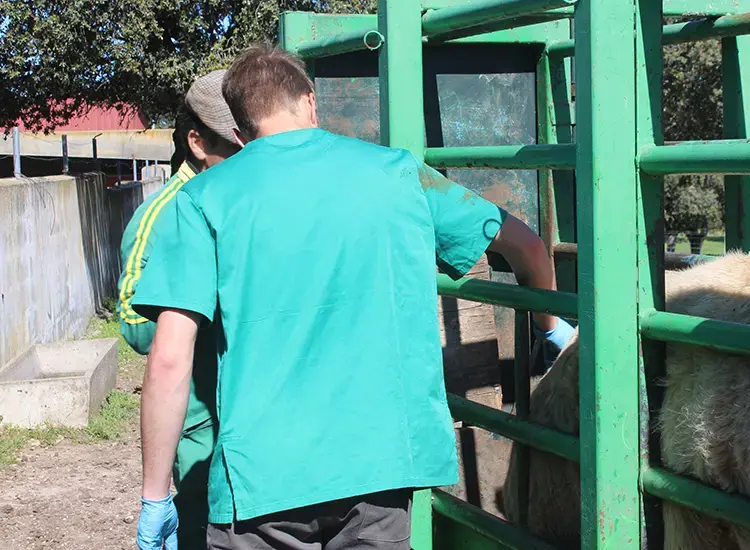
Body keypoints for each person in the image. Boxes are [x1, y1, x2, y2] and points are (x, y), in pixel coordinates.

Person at [130, 43, 575, 550]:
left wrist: (154, 497)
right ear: (310, 102)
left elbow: (168, 359)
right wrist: (551, 328)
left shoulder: (201, 200)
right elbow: (528, 246)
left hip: (261, 479)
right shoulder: (401, 174)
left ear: (239, 131)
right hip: (378, 470)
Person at [117, 69, 242, 550]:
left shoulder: (237, 202)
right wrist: (193, 315)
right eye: (234, 148)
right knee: (203, 525)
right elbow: (131, 321)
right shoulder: (162, 212)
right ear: (196, 141)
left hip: (241, 404)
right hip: (196, 417)